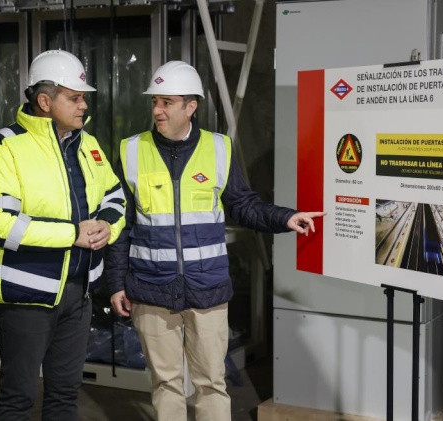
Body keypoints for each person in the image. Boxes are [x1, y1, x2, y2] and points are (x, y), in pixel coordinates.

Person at [105, 61, 326, 421]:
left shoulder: (219, 148)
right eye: (155, 102)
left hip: (206, 289)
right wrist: (116, 282)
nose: (157, 110)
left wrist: (284, 217)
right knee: (165, 383)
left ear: (190, 106)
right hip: (150, 289)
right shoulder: (131, 151)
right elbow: (120, 224)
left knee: (210, 383)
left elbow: (243, 204)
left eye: (167, 102)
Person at [0, 49, 125, 421]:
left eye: (83, 97)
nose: (84, 105)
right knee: (18, 399)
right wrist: (71, 235)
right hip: (27, 298)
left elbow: (114, 195)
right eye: (74, 98)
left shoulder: (87, 144)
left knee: (64, 395)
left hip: (78, 294)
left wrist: (107, 225)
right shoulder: (4, 147)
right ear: (45, 101)